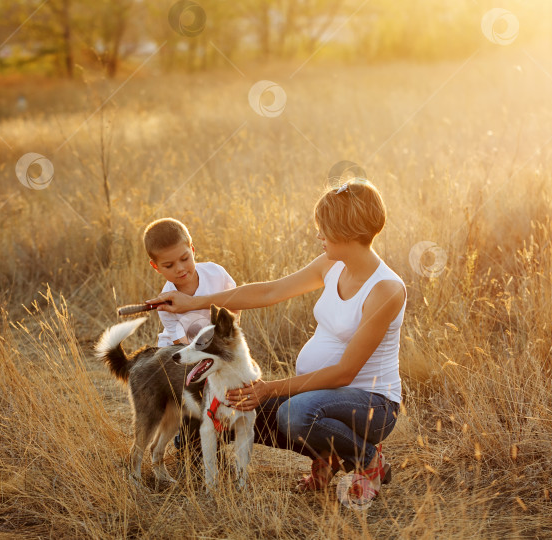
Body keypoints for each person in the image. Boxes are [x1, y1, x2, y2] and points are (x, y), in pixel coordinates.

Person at [147, 179, 406, 502]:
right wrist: (194, 302)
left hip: (372, 405)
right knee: (221, 414)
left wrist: (269, 389)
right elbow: (270, 291)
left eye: (323, 229)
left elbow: (345, 373)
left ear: (347, 233)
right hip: (319, 395)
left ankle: (368, 461)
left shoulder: (385, 289)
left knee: (292, 414)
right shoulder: (332, 264)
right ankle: (325, 458)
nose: (318, 236)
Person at [143, 217, 237, 459]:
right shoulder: (166, 299)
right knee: (197, 392)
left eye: (185, 258)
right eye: (169, 265)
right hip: (181, 357)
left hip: (213, 350)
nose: (180, 269)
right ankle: (189, 444)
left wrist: (226, 338)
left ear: (192, 250)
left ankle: (217, 437)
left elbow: (235, 304)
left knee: (232, 388)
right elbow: (182, 345)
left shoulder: (215, 273)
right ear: (156, 267)